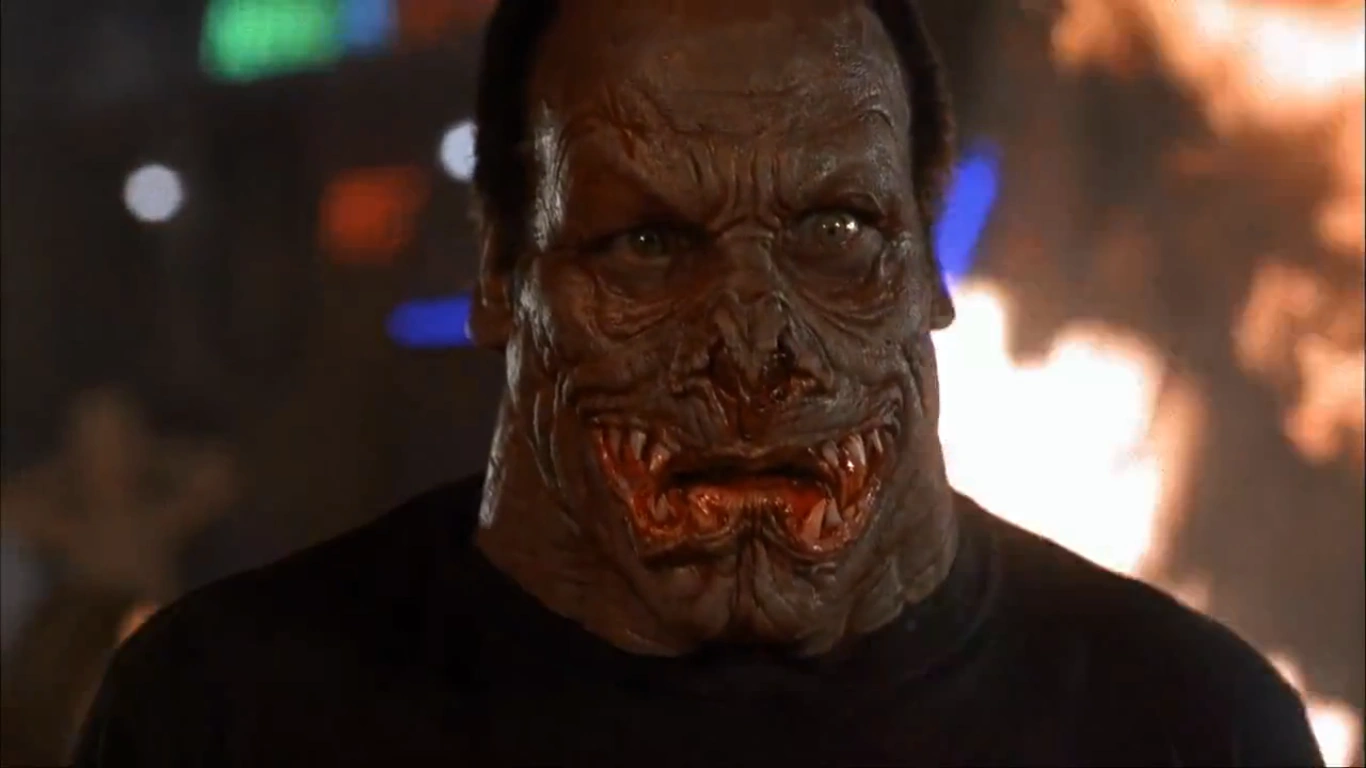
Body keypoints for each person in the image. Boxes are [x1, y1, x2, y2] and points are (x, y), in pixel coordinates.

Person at [75, 1, 1325, 765]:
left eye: (835, 231)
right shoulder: (226, 713)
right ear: (503, 274)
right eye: (647, 242)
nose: (752, 343)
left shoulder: (1184, 722)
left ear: (928, 273)